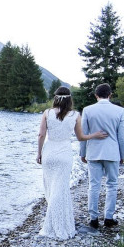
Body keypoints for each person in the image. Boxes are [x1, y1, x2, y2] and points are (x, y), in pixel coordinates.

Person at [36, 87, 108, 239]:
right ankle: (60, 223)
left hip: (49, 153)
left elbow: (41, 135)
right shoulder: (75, 115)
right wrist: (94, 135)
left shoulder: (47, 113)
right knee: (60, 188)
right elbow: (81, 137)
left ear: (55, 98)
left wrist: (39, 153)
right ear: (70, 99)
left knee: (51, 187)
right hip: (64, 154)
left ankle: (52, 222)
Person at [80, 83, 124, 229]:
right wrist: (122, 154)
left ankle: (93, 218)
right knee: (112, 185)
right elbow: (122, 137)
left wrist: (82, 153)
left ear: (96, 95)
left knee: (93, 185)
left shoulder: (87, 110)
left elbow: (83, 134)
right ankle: (108, 217)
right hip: (112, 153)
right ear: (110, 95)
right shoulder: (119, 111)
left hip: (93, 152)